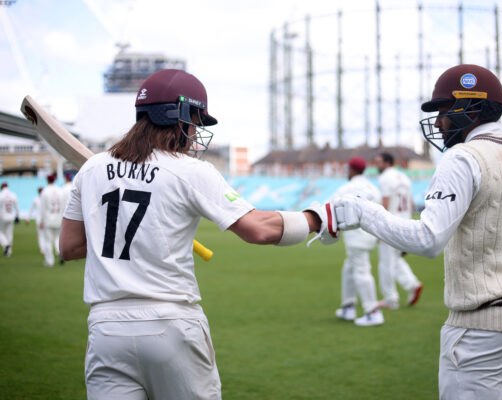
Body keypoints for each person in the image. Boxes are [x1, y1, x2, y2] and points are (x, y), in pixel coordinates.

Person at [59, 69, 334, 400]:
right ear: (179, 117)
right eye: (195, 120)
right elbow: (258, 229)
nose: (195, 131)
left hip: (105, 329)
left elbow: (70, 247)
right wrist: (317, 219)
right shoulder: (191, 171)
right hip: (170, 323)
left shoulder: (91, 170)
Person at [331, 64, 502, 399]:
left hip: (481, 331)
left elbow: (429, 239)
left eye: (443, 110)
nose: (438, 122)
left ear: (470, 107)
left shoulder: (462, 158)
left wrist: (364, 212)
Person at [332, 157, 383, 327]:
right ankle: (348, 307)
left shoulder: (346, 188)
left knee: (361, 272)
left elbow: (331, 207)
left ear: (352, 170)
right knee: (349, 268)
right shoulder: (373, 188)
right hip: (371, 235)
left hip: (355, 237)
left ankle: (373, 311)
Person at [374, 152, 423, 309]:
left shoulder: (385, 178)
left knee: (385, 263)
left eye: (379, 162)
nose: (377, 165)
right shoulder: (404, 178)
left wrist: (379, 228)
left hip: (390, 225)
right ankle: (412, 285)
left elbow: (385, 203)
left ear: (387, 163)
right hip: (405, 223)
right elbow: (412, 203)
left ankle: (390, 300)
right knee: (395, 259)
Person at [40, 174, 64, 266]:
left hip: (48, 219)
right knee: (57, 239)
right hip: (58, 218)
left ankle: (50, 261)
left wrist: (41, 220)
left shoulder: (45, 191)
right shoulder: (60, 190)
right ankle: (59, 252)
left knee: (47, 241)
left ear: (47, 180)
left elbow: (42, 208)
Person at [0, 182, 19, 257]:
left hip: (2, 217)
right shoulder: (13, 195)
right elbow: (16, 207)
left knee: (1, 232)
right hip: (11, 216)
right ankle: (8, 252)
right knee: (9, 234)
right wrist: (18, 216)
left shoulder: (1, 195)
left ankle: (5, 244)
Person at [27, 187, 46, 255]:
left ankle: (43, 249)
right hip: (46, 220)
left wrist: (28, 219)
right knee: (46, 235)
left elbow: (31, 210)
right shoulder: (46, 198)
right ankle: (45, 248)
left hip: (39, 220)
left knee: (41, 235)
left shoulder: (36, 199)